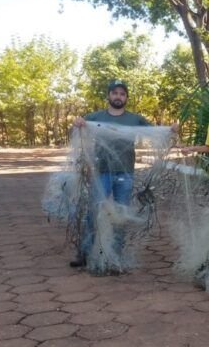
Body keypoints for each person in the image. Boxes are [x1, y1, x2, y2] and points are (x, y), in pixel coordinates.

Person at [71, 79, 176, 268]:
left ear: (126, 98)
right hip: (101, 172)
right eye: (115, 93)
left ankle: (116, 253)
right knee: (94, 212)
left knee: (121, 213)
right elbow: (79, 128)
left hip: (125, 173)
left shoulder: (135, 119)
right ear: (109, 96)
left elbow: (155, 132)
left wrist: (171, 130)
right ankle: (84, 253)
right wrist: (78, 122)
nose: (118, 96)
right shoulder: (95, 117)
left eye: (122, 94)